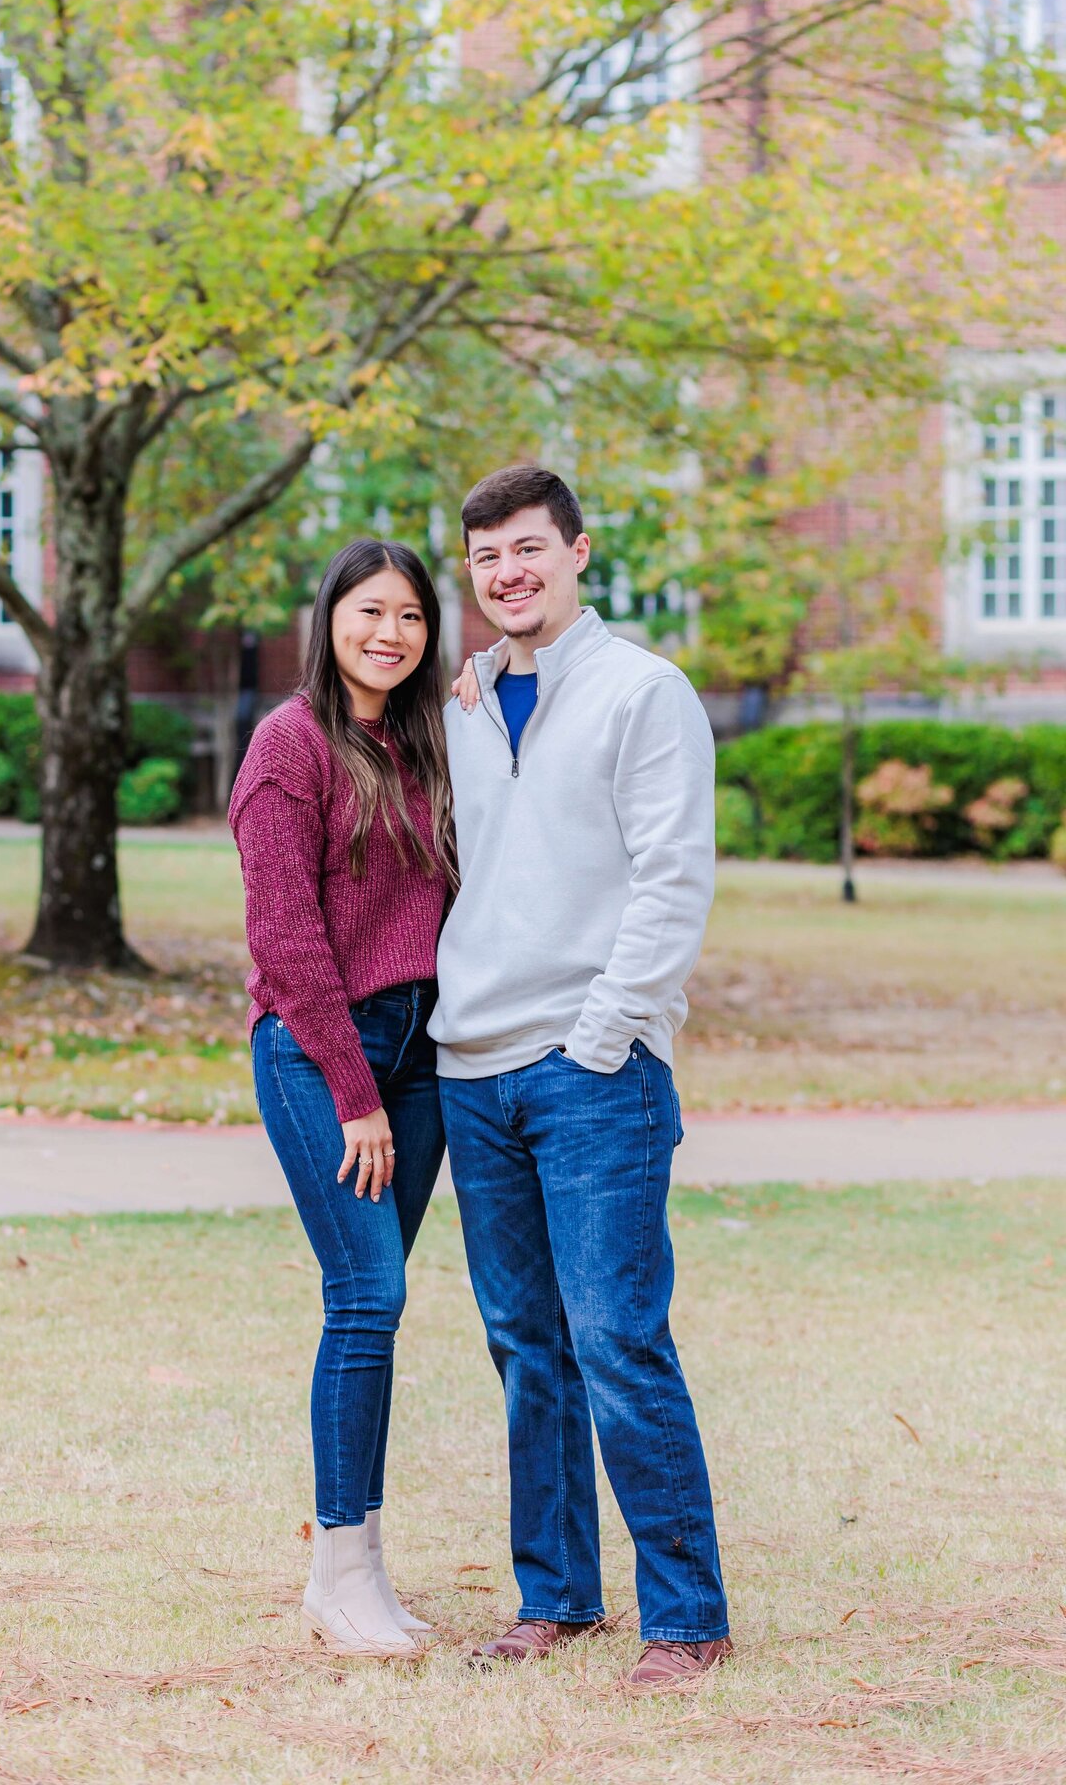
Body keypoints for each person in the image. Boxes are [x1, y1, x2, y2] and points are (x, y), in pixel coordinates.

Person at [432, 465, 731, 1691]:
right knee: (524, 1344)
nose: (510, 571)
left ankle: (688, 1617)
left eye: (529, 549)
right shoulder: (466, 700)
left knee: (617, 1337)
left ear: (577, 553)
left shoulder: (642, 692)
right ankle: (555, 1596)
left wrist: (607, 1031)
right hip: (473, 1068)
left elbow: (673, 881)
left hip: (593, 1070)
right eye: (488, 556)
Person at [229, 537, 455, 1660]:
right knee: (366, 1293)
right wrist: (354, 1091)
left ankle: (362, 1565)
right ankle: (340, 1572)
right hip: (324, 1052)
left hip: (423, 1051)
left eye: (411, 616)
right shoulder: (288, 746)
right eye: (371, 612)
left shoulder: (424, 744)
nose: (390, 634)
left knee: (381, 1297)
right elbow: (284, 937)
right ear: (329, 620)